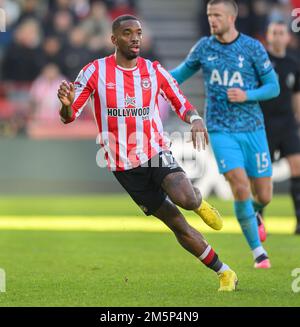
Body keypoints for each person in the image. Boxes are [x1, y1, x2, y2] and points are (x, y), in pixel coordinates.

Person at [57, 15, 238, 291]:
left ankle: (199, 203)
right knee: (176, 223)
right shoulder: (94, 72)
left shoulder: (154, 71)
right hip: (123, 166)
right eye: (128, 33)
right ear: (114, 39)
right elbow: (69, 116)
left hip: (154, 150)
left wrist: (195, 119)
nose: (135, 38)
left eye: (138, 33)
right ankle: (225, 272)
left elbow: (179, 100)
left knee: (185, 199)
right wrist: (67, 105)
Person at [171, 0, 280, 269]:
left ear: (232, 17)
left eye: (217, 15)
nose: (212, 20)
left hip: (253, 128)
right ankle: (258, 253)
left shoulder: (252, 47)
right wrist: (147, 79)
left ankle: (255, 213)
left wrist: (248, 95)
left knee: (264, 195)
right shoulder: (204, 48)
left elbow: (273, 86)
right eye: (209, 15)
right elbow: (176, 77)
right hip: (220, 129)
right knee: (239, 185)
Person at [260, 21, 300, 235]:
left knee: (297, 167)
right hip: (264, 124)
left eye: (281, 33)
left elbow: (296, 94)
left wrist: (298, 119)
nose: (277, 36)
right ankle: (259, 221)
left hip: (287, 124)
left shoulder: (294, 63)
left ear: (287, 37)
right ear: (268, 36)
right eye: (273, 32)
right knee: (262, 173)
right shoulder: (261, 62)